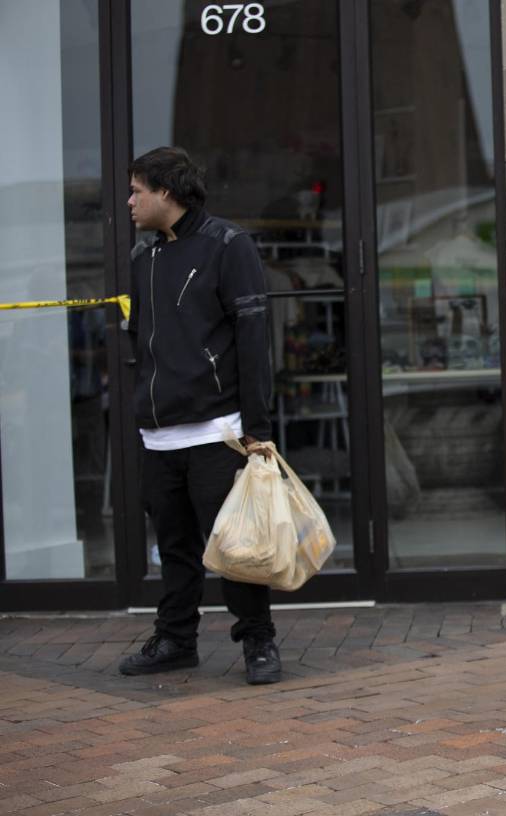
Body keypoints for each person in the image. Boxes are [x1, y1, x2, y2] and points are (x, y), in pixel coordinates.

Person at [118, 146, 281, 685]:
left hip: (219, 430)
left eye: (137, 190)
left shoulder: (227, 246)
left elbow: (255, 338)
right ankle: (175, 639)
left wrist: (257, 428)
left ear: (166, 191)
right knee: (175, 547)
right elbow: (139, 340)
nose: (130, 200)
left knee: (235, 546)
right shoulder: (144, 258)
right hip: (159, 434)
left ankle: (257, 639)